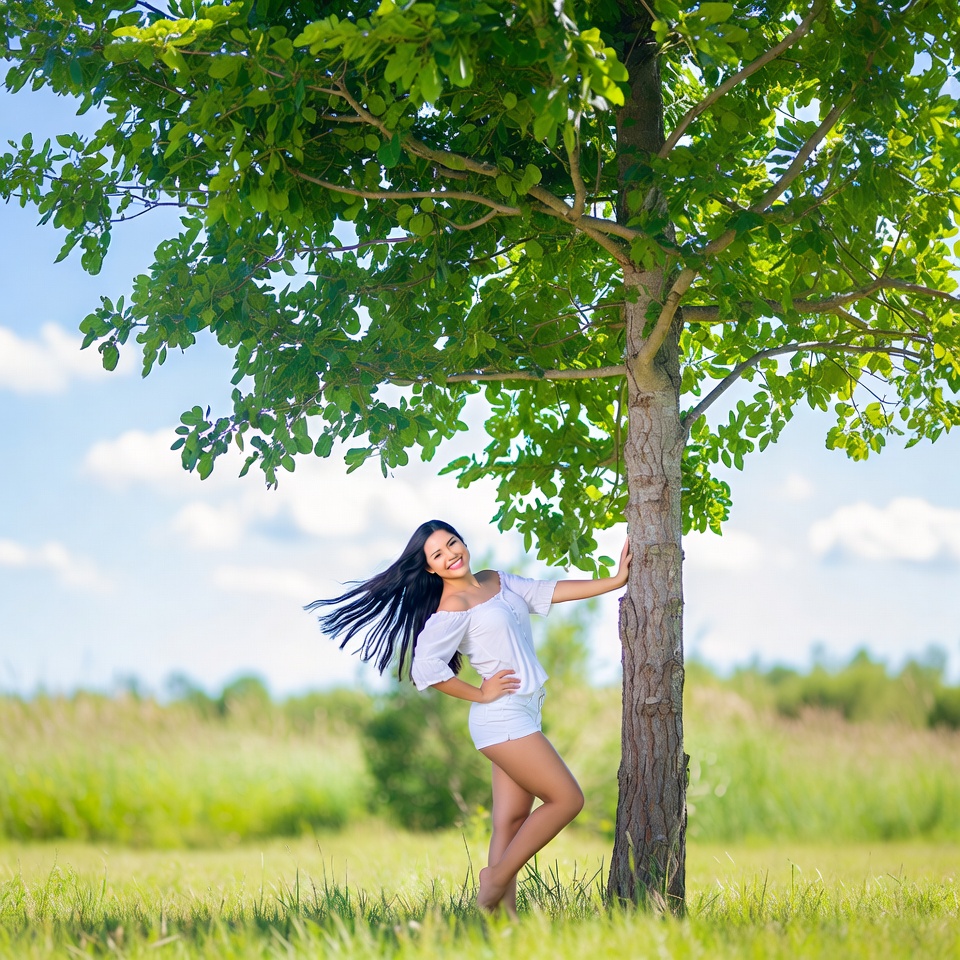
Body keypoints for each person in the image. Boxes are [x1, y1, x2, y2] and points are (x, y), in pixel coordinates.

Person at [307, 519, 630, 916]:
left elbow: (548, 592)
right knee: (567, 799)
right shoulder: (452, 607)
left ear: (463, 542)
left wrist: (615, 581)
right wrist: (480, 691)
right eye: (437, 554)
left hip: (524, 709)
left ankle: (500, 921)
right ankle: (494, 880)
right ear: (430, 568)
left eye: (452, 543)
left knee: (510, 820)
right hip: (501, 716)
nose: (450, 555)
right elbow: (427, 668)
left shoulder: (496, 580)